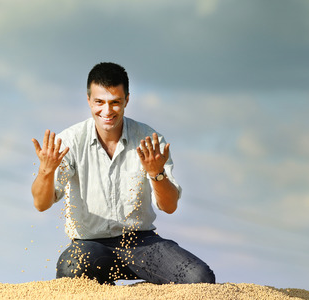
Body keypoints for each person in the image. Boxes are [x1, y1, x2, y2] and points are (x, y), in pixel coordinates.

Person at [31, 62, 215, 285]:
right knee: (71, 268)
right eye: (99, 102)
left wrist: (157, 174)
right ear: (88, 100)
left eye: (115, 103)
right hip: (91, 245)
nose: (107, 111)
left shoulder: (150, 140)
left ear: (127, 100)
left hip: (142, 243)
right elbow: (41, 204)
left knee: (199, 278)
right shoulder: (69, 142)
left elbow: (169, 206)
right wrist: (46, 171)